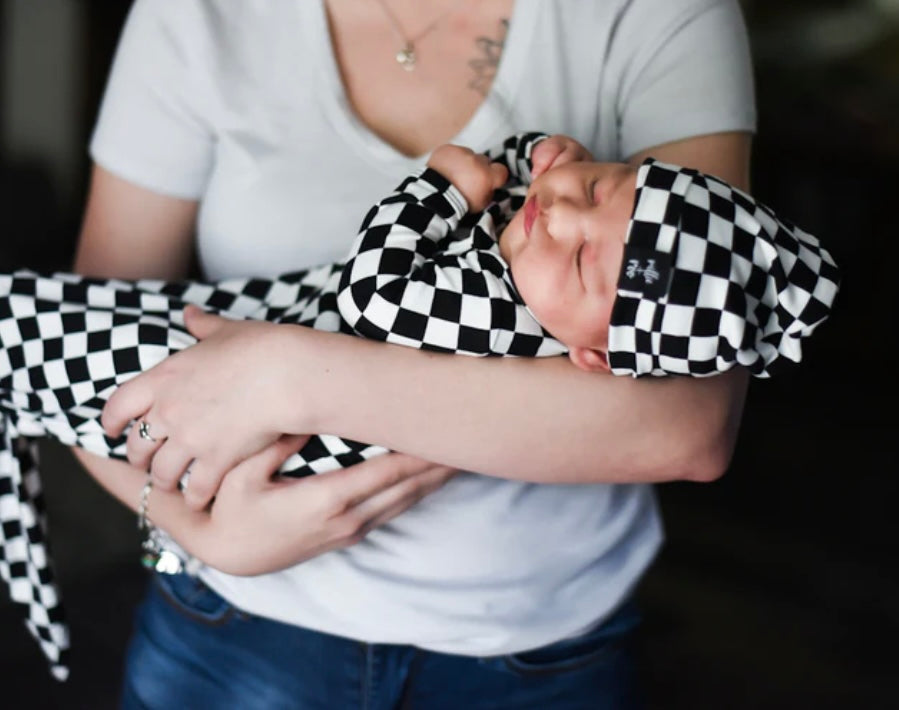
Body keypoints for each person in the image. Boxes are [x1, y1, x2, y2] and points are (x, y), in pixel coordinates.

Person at [45, 0, 763, 707]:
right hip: (229, 626)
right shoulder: (197, 16)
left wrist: (288, 376)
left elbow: (685, 423)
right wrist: (192, 527)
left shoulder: (653, 13)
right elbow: (84, 343)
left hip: (538, 653)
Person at [0, 129, 840, 673]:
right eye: (597, 188)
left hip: (514, 641)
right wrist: (183, 528)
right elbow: (549, 194)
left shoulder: (499, 308)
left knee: (58, 349)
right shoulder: (541, 270)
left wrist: (443, 187)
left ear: (596, 357)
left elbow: (374, 296)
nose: (559, 216)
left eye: (586, 262)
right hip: (231, 607)